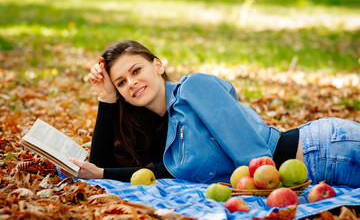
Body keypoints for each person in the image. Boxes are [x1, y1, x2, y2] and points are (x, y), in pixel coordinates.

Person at [68, 40, 360, 188]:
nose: (131, 83)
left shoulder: (194, 88)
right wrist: (106, 98)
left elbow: (253, 155)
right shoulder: (162, 130)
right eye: (121, 82)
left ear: (157, 65)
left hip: (323, 149)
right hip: (310, 171)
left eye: (136, 71)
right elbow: (101, 168)